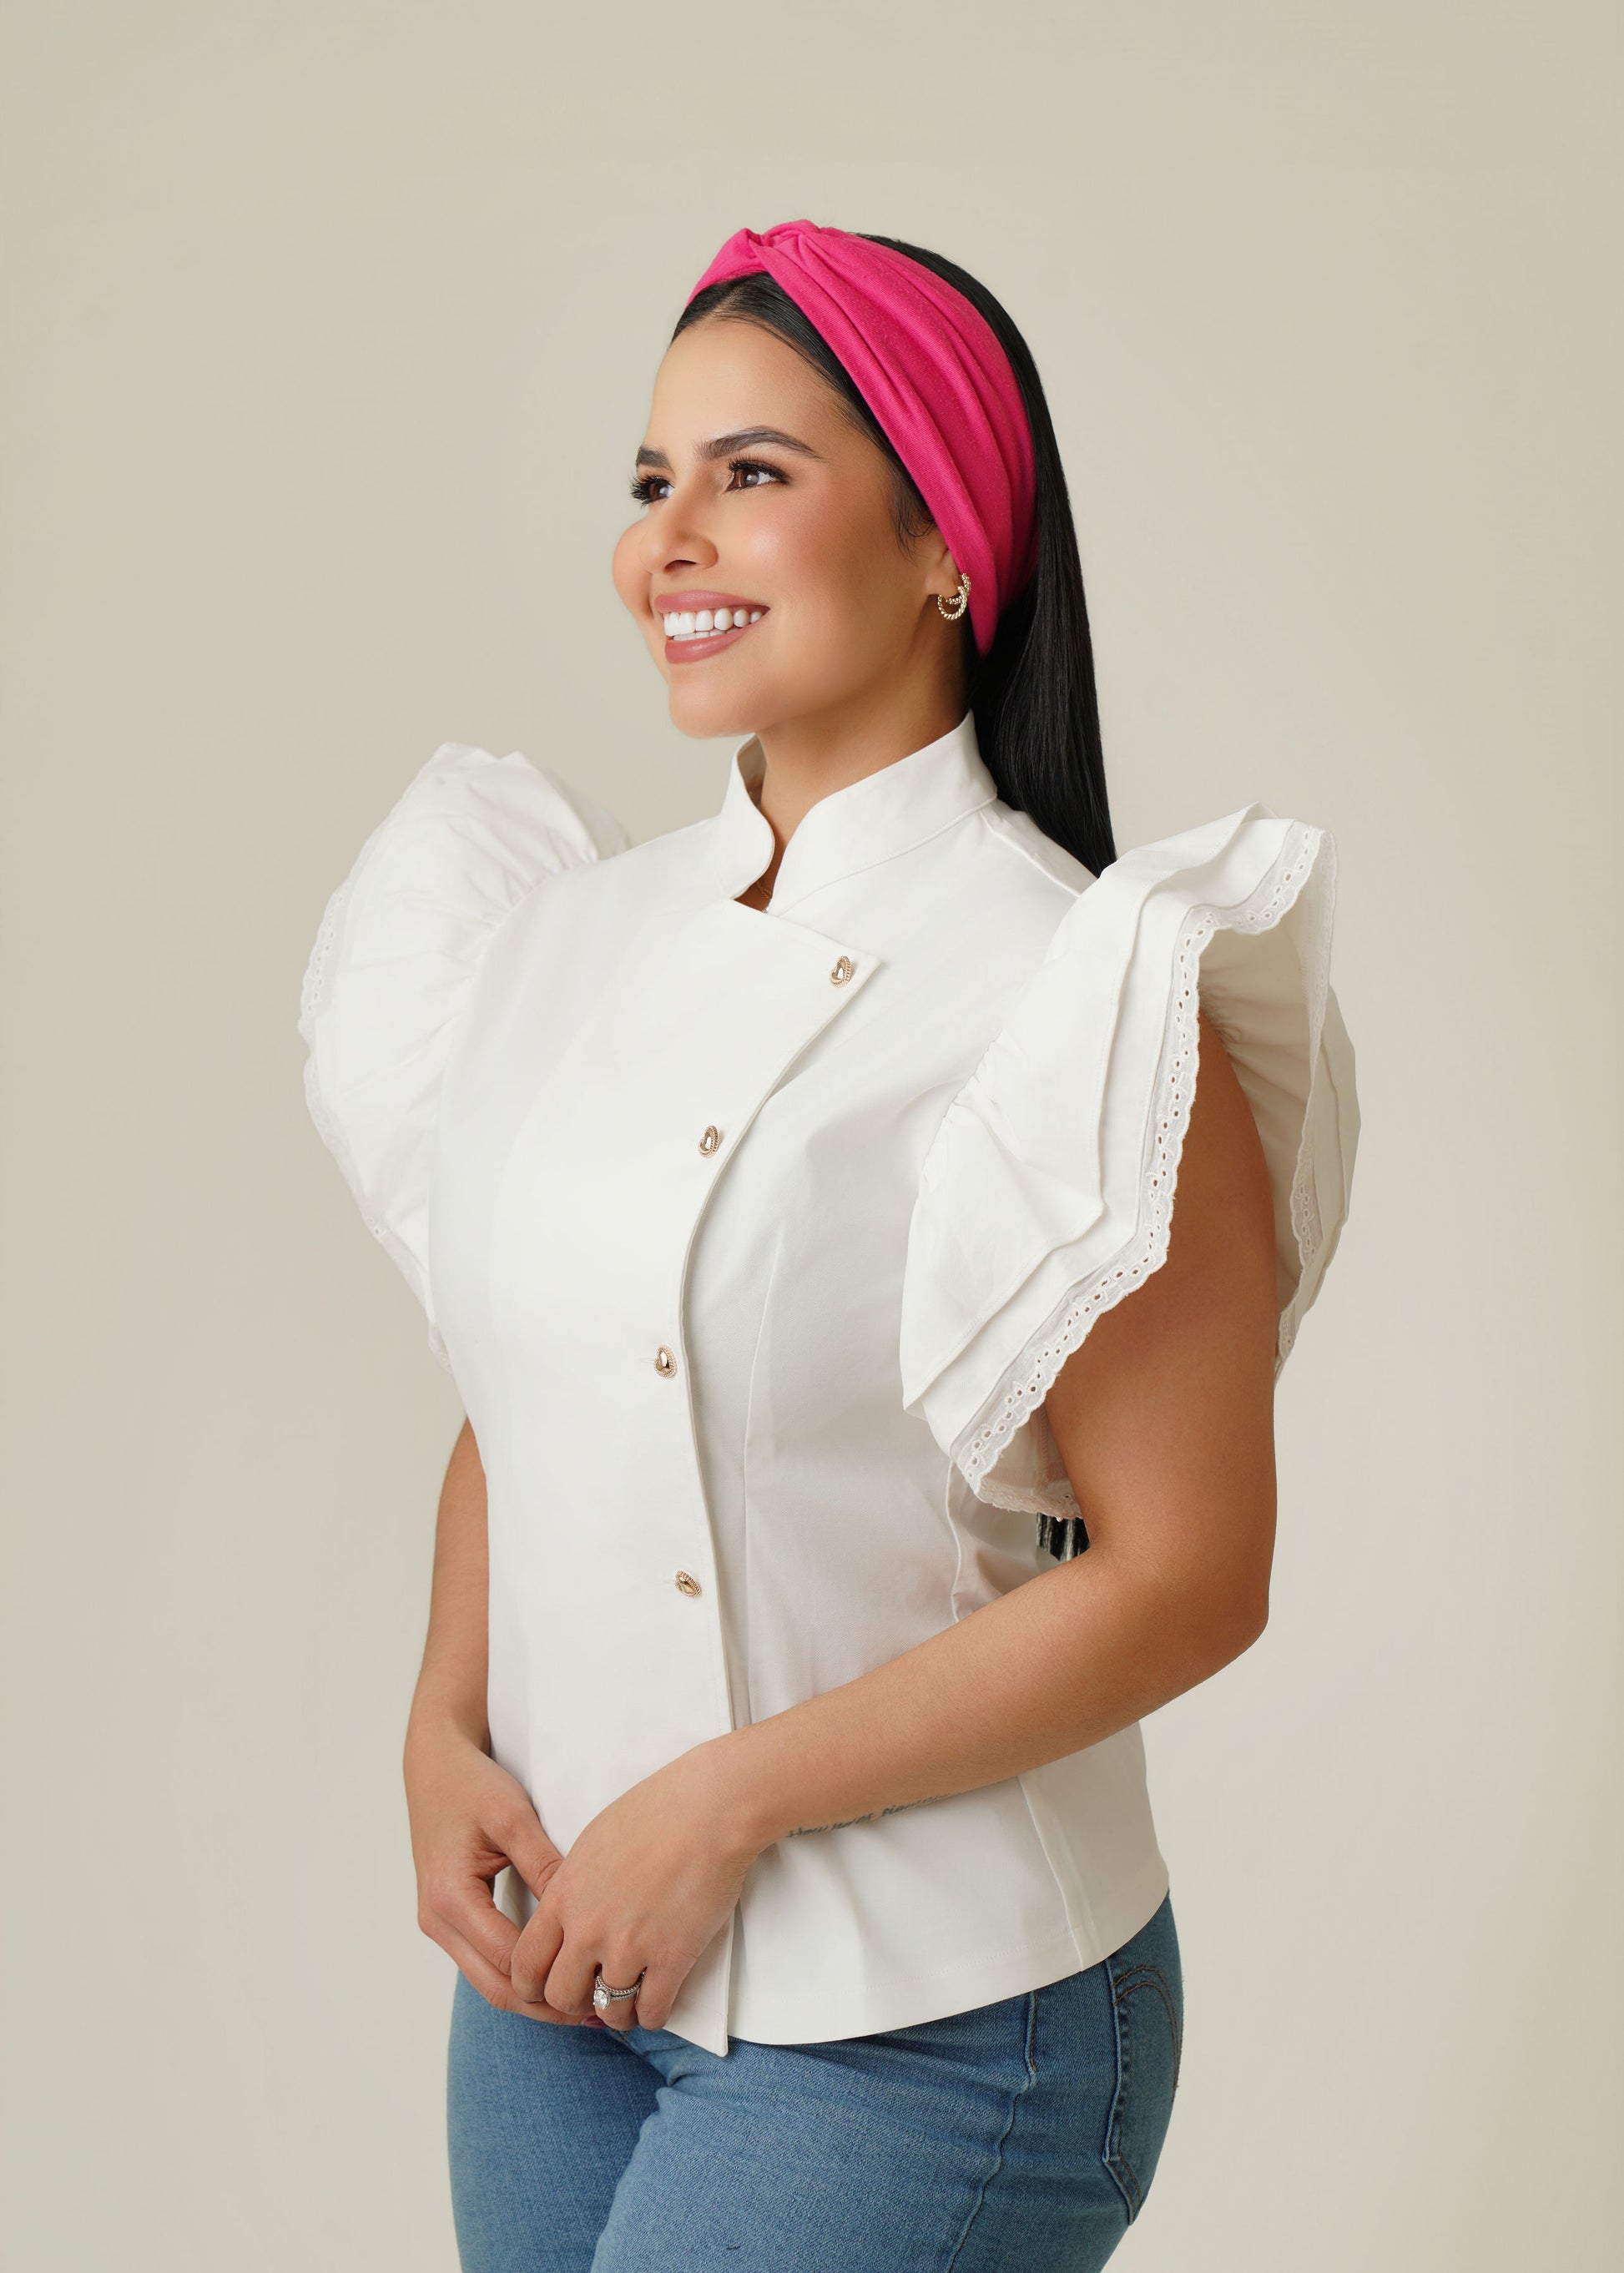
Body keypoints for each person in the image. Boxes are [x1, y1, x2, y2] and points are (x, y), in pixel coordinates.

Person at [298, 219, 1359, 2271]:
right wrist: (442, 1726)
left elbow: (1191, 1573)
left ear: (947, 538)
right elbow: (538, 1385)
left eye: (752, 472)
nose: (670, 540)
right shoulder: (558, 944)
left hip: (932, 2021)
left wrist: (725, 1802)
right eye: (651, 482)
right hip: (559, 1971)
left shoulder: (1079, 996)